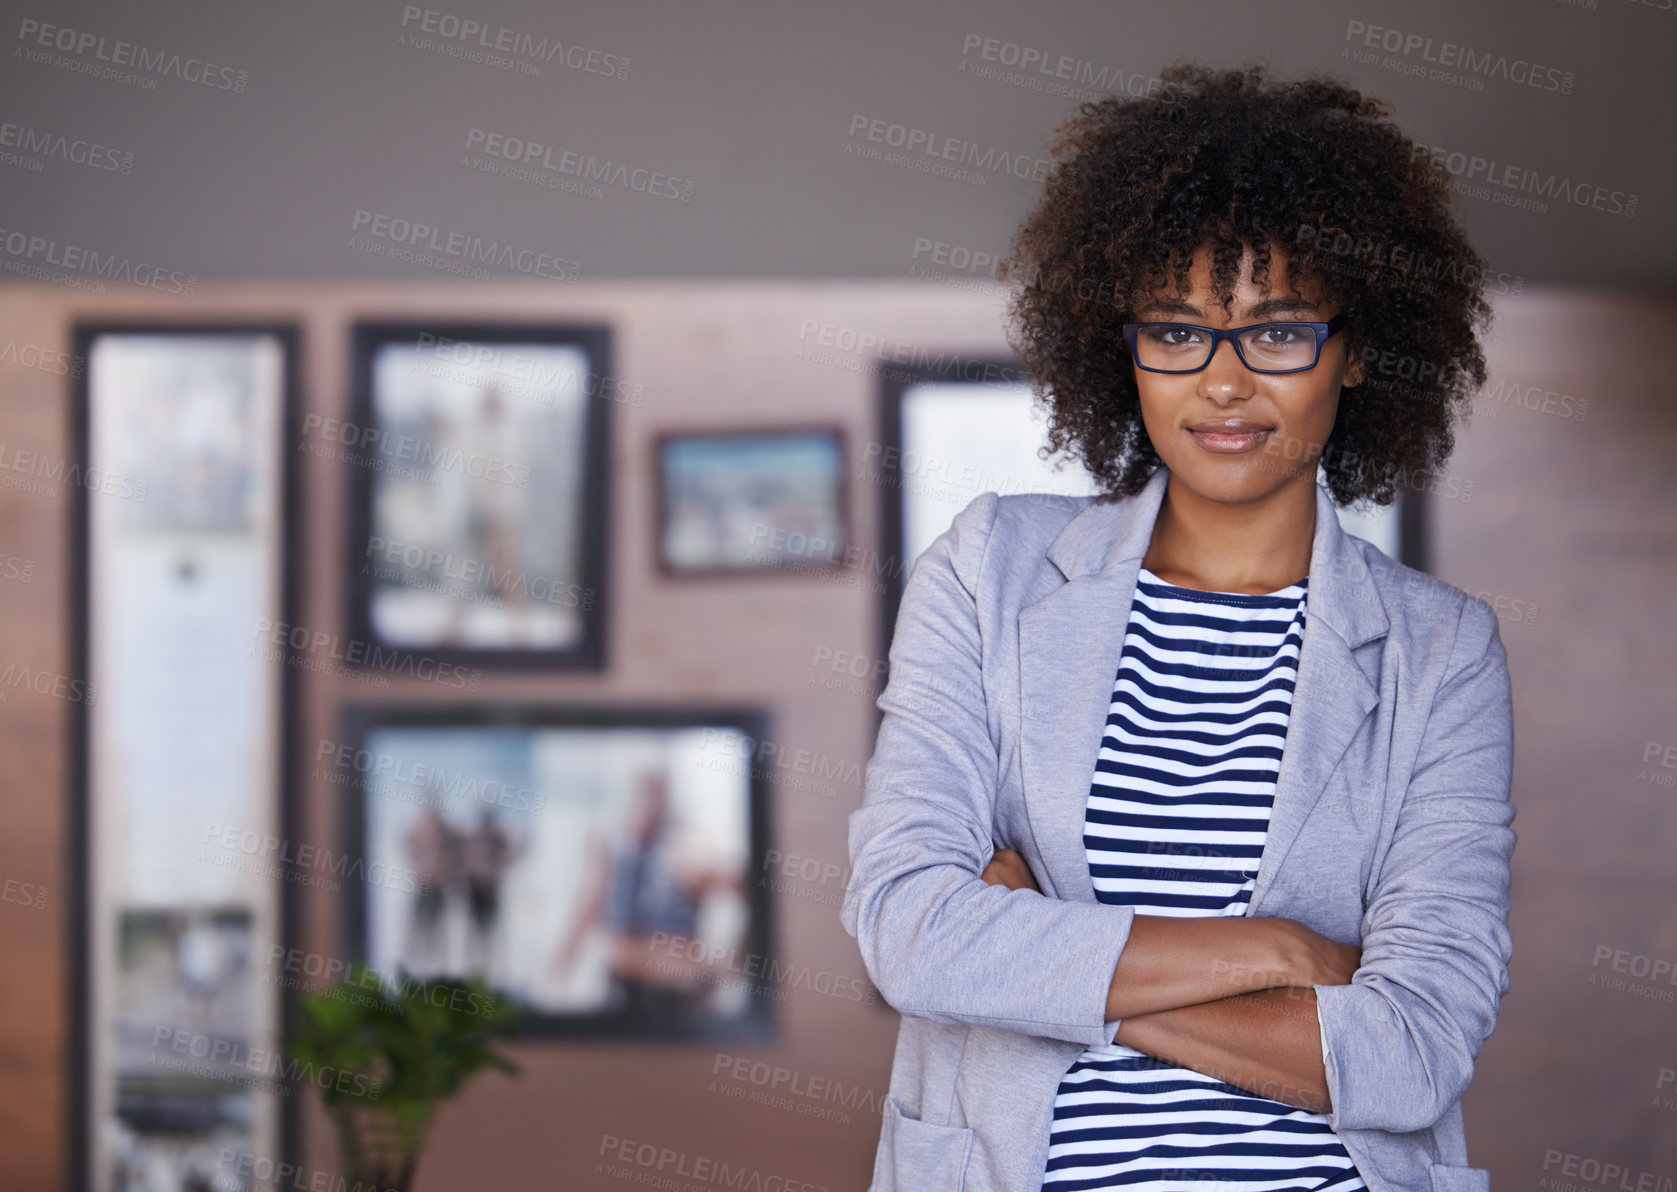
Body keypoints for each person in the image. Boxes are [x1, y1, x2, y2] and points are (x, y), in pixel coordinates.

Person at [840, 63, 1515, 1192]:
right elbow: (911, 928)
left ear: (1354, 350)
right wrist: (1280, 958)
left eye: (1279, 332)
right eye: (1178, 330)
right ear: (1127, 347)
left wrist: (1047, 951)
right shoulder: (990, 569)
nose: (1224, 383)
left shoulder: (1441, 651)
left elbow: (1412, 1054)